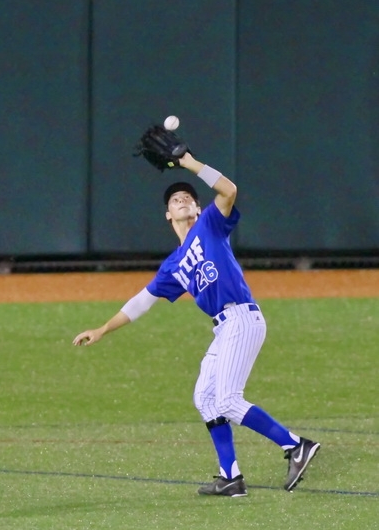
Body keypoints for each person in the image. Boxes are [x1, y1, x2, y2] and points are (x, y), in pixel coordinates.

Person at [72, 152, 320, 496]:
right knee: (205, 397)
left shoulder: (211, 225)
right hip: (224, 328)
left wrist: (188, 162)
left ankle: (295, 445)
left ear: (198, 209)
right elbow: (141, 302)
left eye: (188, 197)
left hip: (242, 318)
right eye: (175, 199)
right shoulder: (173, 265)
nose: (183, 199)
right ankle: (230, 476)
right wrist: (102, 329)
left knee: (229, 400)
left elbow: (228, 190)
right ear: (168, 214)